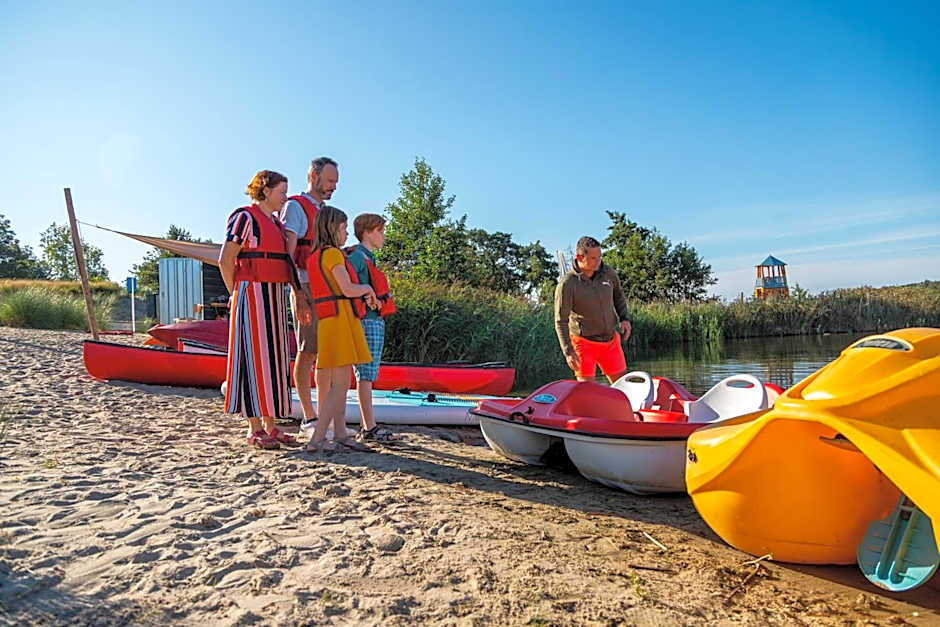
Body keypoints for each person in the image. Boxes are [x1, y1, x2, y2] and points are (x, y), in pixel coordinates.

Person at [219, 170, 312, 449]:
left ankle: (271, 426)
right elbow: (226, 259)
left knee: (273, 359)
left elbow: (285, 263)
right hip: (251, 292)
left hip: (273, 294)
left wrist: (297, 293)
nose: (285, 198)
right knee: (253, 357)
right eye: (282, 192)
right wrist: (235, 293)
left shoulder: (275, 224)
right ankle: (254, 428)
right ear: (265, 190)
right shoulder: (244, 217)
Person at [304, 206, 377, 453]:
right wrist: (367, 289)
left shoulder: (316, 256)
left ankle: (340, 432)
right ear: (333, 228)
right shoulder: (333, 255)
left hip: (329, 321)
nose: (347, 233)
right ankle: (318, 437)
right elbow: (347, 289)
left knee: (338, 382)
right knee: (341, 385)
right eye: (344, 228)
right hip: (340, 321)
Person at [280, 157, 339, 428]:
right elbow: (287, 254)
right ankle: (309, 416)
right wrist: (299, 294)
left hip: (326, 288)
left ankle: (324, 414)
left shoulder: (325, 211)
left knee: (325, 352)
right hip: (305, 286)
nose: (333, 187)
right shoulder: (295, 207)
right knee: (307, 350)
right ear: (313, 177)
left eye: (336, 182)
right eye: (329, 181)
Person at [346, 213, 397, 443]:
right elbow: (350, 286)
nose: (383, 236)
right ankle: (368, 425)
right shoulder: (358, 257)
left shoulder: (367, 258)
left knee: (368, 374)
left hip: (373, 319)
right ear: (367, 232)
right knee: (365, 374)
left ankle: (368, 424)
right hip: (367, 320)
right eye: (380, 231)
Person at [554, 236, 632, 383]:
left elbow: (618, 295)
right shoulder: (567, 284)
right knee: (586, 393)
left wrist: (624, 318)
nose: (598, 262)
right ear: (579, 257)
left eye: (599, 257)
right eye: (593, 258)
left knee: (623, 388)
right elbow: (561, 321)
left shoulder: (608, 273)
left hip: (610, 341)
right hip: (583, 343)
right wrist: (568, 351)